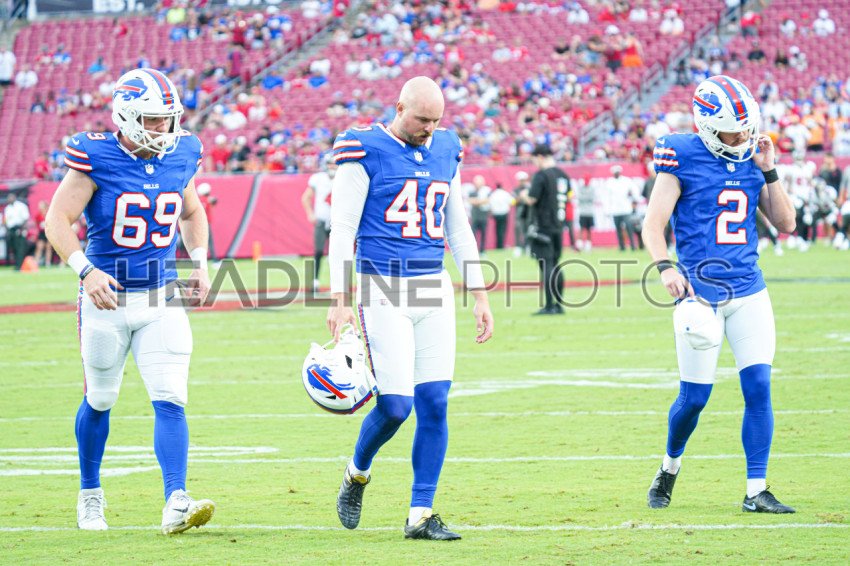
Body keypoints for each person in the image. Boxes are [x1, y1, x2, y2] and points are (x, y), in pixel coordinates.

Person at [44, 68, 215, 534]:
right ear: (127, 116)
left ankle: (176, 500)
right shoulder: (96, 154)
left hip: (161, 296)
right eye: (154, 119)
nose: (164, 128)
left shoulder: (183, 152)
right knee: (100, 397)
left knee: (170, 396)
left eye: (168, 118)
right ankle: (90, 493)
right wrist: (86, 270)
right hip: (107, 299)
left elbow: (192, 210)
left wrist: (200, 262)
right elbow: (56, 219)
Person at [326, 76, 494, 541]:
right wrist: (339, 298)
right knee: (396, 407)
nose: (430, 128)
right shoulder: (365, 148)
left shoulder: (446, 149)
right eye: (422, 119)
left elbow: (458, 228)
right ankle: (357, 472)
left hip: (432, 285)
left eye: (437, 120)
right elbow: (342, 228)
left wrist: (479, 293)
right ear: (399, 107)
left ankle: (420, 513)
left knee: (435, 402)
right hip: (382, 286)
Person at [643, 75, 797, 514]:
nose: (743, 137)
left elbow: (786, 223)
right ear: (709, 127)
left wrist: (769, 169)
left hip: (749, 290)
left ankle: (756, 490)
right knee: (695, 398)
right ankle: (670, 466)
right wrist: (664, 267)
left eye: (747, 128)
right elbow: (653, 225)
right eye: (734, 131)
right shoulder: (682, 154)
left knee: (759, 386)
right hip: (700, 295)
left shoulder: (753, 158)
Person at [526, 144, 570, 315]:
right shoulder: (563, 175)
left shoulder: (541, 175)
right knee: (556, 264)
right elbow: (568, 196)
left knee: (546, 266)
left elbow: (532, 199)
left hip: (543, 226)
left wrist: (522, 196)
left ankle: (549, 305)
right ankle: (558, 304)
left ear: (540, 157)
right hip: (559, 225)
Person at [301, 157, 336, 290]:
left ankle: (337, 283)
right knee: (318, 251)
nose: (332, 166)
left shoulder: (343, 177)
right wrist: (310, 214)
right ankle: (315, 280)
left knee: (337, 253)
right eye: (330, 164)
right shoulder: (318, 178)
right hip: (321, 220)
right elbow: (305, 198)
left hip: (337, 222)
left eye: (335, 164)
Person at [607, 165, 639, 251]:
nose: (616, 174)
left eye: (617, 172)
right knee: (618, 229)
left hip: (626, 208)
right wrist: (608, 209)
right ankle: (621, 246)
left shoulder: (626, 181)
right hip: (615, 209)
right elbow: (607, 197)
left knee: (629, 228)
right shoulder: (609, 182)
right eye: (615, 172)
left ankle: (633, 245)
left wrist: (634, 199)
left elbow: (635, 190)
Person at [4, 192, 30, 269]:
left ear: (14, 197)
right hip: (11, 230)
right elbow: (6, 221)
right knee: (14, 247)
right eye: (8, 198)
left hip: (20, 228)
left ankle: (20, 265)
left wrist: (21, 229)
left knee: (20, 248)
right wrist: (8, 231)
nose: (9, 199)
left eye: (11, 197)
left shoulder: (21, 206)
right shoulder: (7, 208)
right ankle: (17, 265)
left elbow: (25, 218)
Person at [196, 183, 218, 262]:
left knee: (199, 243)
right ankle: (215, 260)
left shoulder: (199, 200)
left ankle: (200, 260)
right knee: (209, 242)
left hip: (198, 224)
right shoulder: (206, 199)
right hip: (205, 223)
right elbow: (215, 200)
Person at [488, 182, 514, 249]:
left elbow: (490, 204)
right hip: (504, 214)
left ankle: (498, 245)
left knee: (497, 230)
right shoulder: (505, 193)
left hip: (496, 214)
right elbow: (512, 202)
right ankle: (501, 245)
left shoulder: (493, 194)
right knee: (503, 230)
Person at [512, 171, 531, 256]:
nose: (522, 182)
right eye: (521, 180)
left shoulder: (530, 189)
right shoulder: (515, 190)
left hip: (529, 213)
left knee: (528, 230)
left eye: (523, 180)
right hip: (519, 213)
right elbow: (514, 202)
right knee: (518, 229)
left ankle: (528, 247)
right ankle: (518, 247)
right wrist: (521, 196)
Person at [33, 200, 54, 266]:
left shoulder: (50, 214)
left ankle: (48, 262)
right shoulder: (38, 216)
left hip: (49, 232)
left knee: (48, 247)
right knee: (39, 247)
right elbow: (36, 224)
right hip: (42, 233)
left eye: (41, 206)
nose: (40, 208)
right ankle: (35, 262)